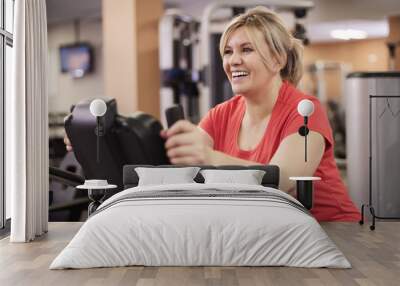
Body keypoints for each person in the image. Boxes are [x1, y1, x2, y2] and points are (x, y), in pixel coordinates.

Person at [65, 7, 360, 222]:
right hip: (271, 227)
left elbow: (283, 181)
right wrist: (102, 141)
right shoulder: (221, 114)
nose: (233, 61)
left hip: (331, 230)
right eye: (228, 52)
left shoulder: (304, 111)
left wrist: (208, 156)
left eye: (246, 49)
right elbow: (181, 160)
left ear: (278, 58)